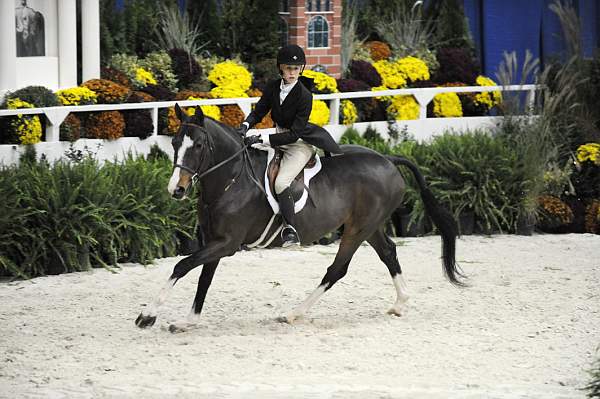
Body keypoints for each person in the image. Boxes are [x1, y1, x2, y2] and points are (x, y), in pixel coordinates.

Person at [238, 44, 342, 247]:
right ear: (280, 68)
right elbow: (259, 111)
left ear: (301, 69)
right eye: (287, 68)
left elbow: (294, 134)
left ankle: (290, 229)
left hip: (298, 144)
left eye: (295, 68)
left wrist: (263, 139)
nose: (291, 72)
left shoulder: (304, 95)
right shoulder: (273, 87)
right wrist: (245, 125)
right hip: (277, 137)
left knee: (281, 182)